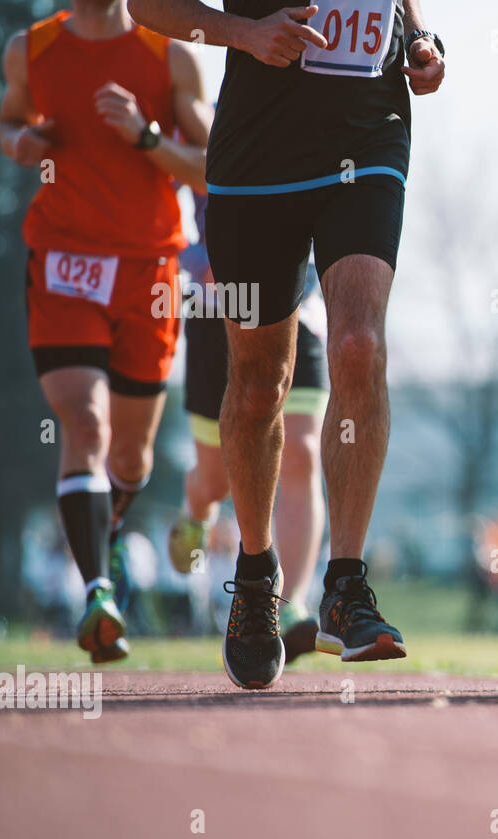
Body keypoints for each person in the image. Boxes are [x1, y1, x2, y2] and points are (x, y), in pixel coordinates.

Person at [129, 0, 446, 688]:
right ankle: (253, 572)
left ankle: (345, 584)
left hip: (369, 133)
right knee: (257, 382)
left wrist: (418, 37)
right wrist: (242, 32)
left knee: (358, 343)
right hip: (256, 156)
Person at [0, 0, 210, 664]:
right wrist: (21, 143)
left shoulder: (170, 53)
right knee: (84, 424)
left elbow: (211, 168)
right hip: (63, 261)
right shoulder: (29, 49)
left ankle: (110, 528)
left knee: (131, 458)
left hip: (146, 268)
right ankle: (98, 591)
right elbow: (7, 120)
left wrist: (147, 137)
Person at [170, 191, 329, 663]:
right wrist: (194, 258)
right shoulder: (205, 114)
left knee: (301, 453)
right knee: (219, 480)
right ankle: (197, 506)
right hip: (216, 301)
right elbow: (177, 173)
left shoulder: (317, 117)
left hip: (301, 300)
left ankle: (291, 604)